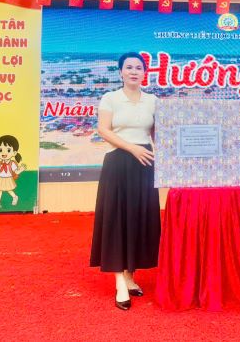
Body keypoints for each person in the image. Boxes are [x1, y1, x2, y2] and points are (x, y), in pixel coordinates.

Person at [90, 52, 160, 311]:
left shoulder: (153, 100)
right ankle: (120, 283)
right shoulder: (110, 98)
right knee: (117, 220)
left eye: (138, 68)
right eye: (129, 67)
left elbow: (158, 134)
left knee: (140, 220)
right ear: (120, 72)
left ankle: (131, 276)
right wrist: (132, 148)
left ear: (144, 73)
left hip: (145, 164)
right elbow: (103, 129)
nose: (133, 71)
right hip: (118, 163)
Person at [0, 135, 26, 207]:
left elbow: (15, 171)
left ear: (14, 153)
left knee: (8, 190)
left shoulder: (12, 163)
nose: (4, 153)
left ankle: (15, 197)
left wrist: (20, 170)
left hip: (8, 178)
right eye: (0, 150)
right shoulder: (0, 163)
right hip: (1, 178)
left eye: (8, 150)